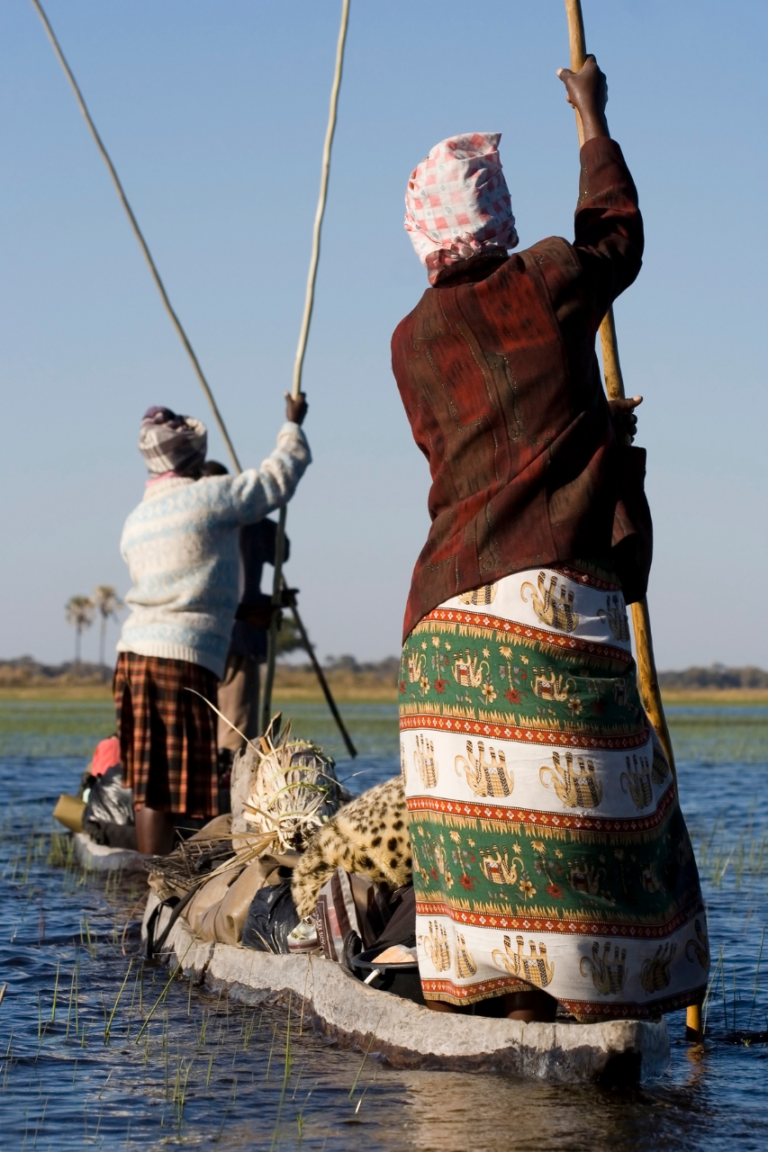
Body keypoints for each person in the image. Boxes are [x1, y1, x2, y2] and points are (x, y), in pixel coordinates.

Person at [393, 58, 709, 1022]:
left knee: (500, 863)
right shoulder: (544, 282)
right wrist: (592, 117)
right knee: (614, 830)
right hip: (543, 614)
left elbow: (494, 437)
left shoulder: (409, 343)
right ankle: (600, 1020)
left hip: (444, 627)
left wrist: (588, 422)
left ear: (425, 239)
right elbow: (616, 236)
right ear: (494, 218)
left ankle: (506, 1013)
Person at [115, 394, 309, 855]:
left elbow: (179, 588)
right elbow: (276, 480)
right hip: (179, 658)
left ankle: (155, 885)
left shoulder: (136, 521)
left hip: (134, 656)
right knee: (177, 783)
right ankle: (167, 888)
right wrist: (292, 426)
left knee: (150, 785)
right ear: (193, 458)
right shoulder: (206, 499)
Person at [200, 460, 289, 770]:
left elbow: (281, 549)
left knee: (231, 732)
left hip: (225, 642)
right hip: (225, 640)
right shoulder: (235, 524)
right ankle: (223, 792)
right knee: (230, 734)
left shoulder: (240, 525)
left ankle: (225, 790)